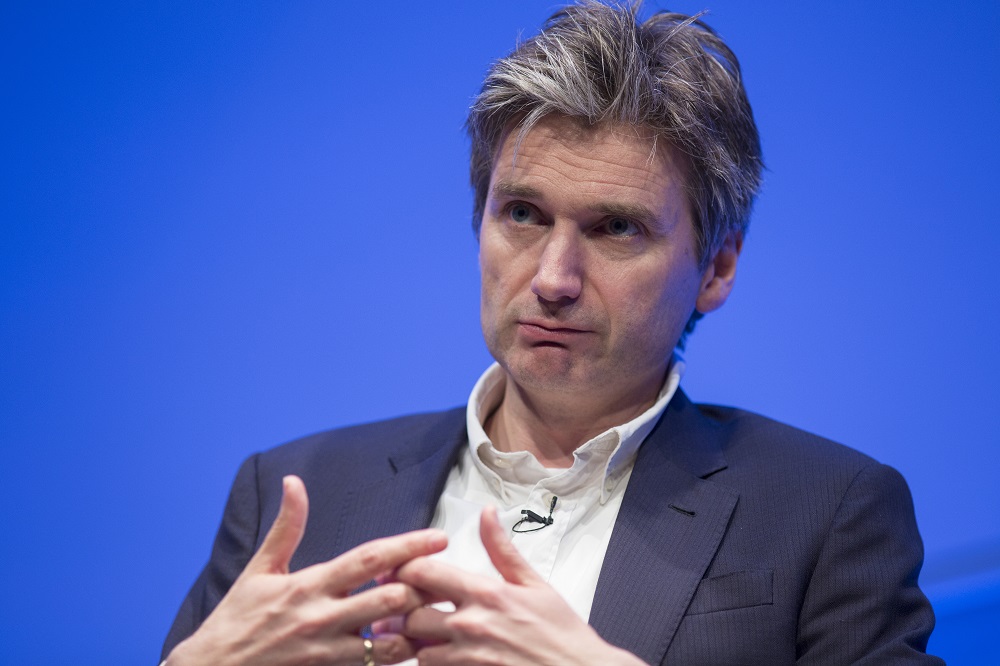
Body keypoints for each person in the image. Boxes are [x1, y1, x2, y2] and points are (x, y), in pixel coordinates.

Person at [162, 2, 942, 664]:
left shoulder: (826, 513)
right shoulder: (296, 491)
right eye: (524, 215)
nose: (553, 278)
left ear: (717, 266)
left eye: (616, 229)